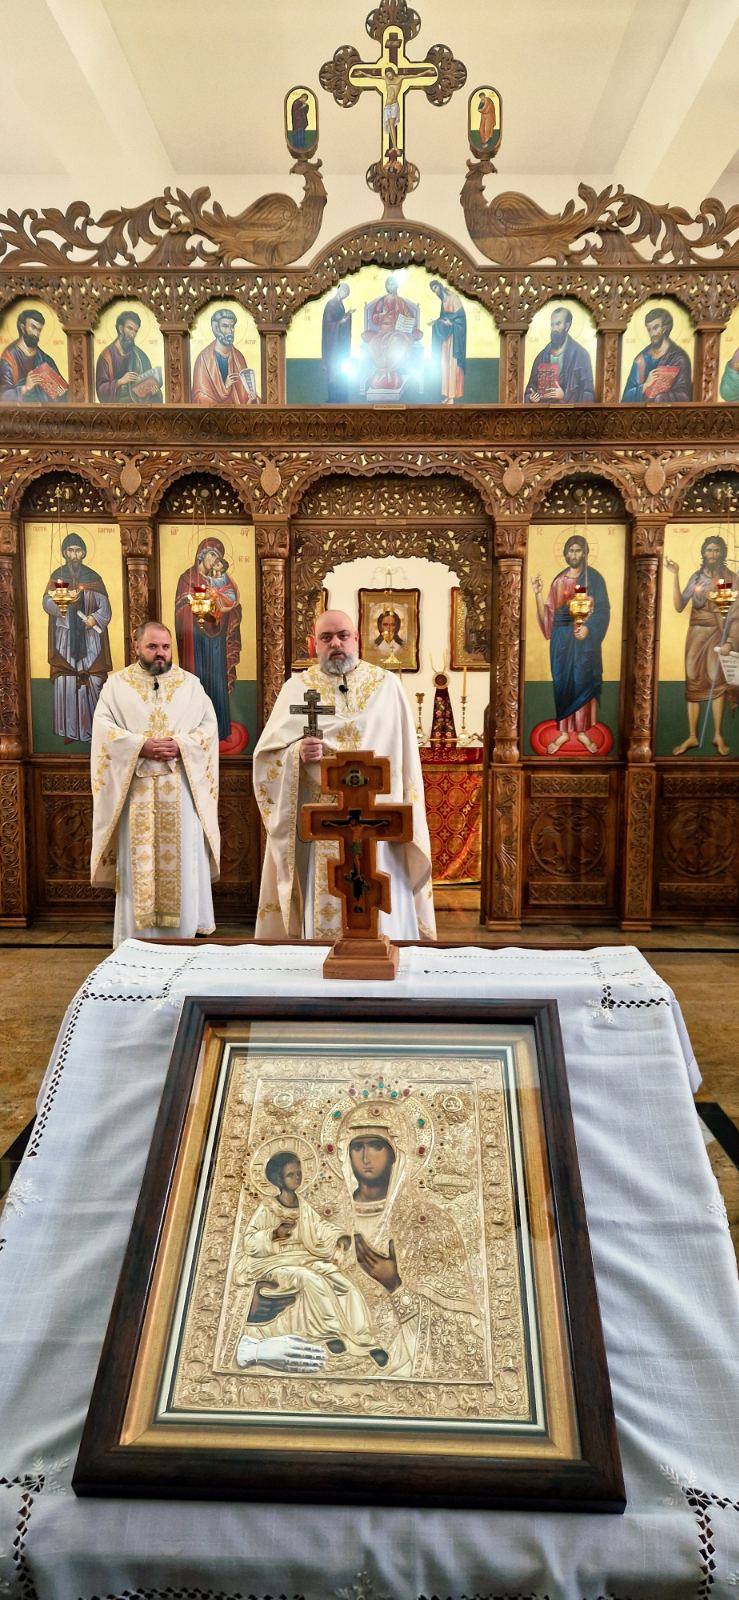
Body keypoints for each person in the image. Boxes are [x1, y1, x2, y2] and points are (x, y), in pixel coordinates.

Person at [252, 608, 436, 941]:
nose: (336, 643)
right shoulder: (297, 689)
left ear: (357, 640)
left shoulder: (387, 687)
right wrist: (296, 753)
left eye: (343, 636)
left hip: (380, 820)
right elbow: (267, 757)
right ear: (314, 644)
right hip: (324, 820)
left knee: (380, 894)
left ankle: (385, 952)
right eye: (326, 638)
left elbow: (405, 757)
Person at [90, 620, 220, 946]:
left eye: (165, 646)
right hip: (136, 794)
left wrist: (181, 745)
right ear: (137, 646)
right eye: (152, 646)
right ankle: (137, 941)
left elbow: (208, 730)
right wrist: (140, 746)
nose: (160, 653)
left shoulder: (191, 686)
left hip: (182, 792)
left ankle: (183, 937)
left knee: (185, 862)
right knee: (138, 867)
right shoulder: (116, 686)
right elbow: (103, 732)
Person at [230, 1149, 388, 1368]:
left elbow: (320, 1227)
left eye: (298, 1173)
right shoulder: (268, 1207)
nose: (297, 1178)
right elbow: (248, 1241)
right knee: (310, 1279)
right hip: (273, 1262)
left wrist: (338, 1238)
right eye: (290, 1174)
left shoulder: (303, 1206)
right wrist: (274, 1234)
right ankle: (330, 1334)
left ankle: (366, 1341)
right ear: (278, 1179)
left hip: (303, 1258)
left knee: (344, 1284)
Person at [531, 534, 610, 755]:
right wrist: (537, 594)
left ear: (585, 553)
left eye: (578, 550)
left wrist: (589, 628)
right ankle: (564, 732)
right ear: (565, 554)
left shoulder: (594, 579)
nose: (574, 555)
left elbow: (603, 610)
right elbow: (549, 614)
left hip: (584, 641)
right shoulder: (559, 580)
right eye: (571, 551)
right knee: (563, 683)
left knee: (582, 681)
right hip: (561, 640)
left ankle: (582, 731)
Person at [665, 535, 736, 756]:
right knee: (693, 678)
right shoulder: (696, 578)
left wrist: (730, 641)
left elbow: (737, 613)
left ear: (722, 554)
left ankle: (717, 735)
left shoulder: (731, 578)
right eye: (709, 550)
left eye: (716, 550)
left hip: (718, 632)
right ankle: (692, 736)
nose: (712, 554)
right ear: (703, 553)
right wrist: (675, 574)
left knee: (716, 678)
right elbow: (679, 605)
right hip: (695, 633)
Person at [42, 532, 112, 741]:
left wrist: (95, 619)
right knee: (66, 680)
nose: (74, 555)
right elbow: (46, 602)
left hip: (90, 639)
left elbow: (105, 607)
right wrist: (60, 605)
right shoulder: (57, 575)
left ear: (84, 553)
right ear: (64, 553)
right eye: (70, 550)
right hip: (65, 636)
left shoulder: (93, 577)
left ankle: (94, 731)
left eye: (78, 550)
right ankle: (70, 730)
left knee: (92, 679)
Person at [174, 536, 242, 743]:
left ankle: (220, 730)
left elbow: (233, 605)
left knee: (217, 681)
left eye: (218, 557)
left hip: (217, 639)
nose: (214, 560)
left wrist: (219, 605)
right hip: (194, 640)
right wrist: (193, 604)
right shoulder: (187, 578)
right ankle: (194, 732)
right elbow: (180, 607)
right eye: (212, 554)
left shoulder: (222, 579)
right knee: (198, 681)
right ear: (201, 555)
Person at [524, 306, 595, 404]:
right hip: (544, 411)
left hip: (571, 413)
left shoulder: (581, 355)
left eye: (558, 324)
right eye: (552, 325)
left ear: (567, 326)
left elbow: (588, 394)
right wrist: (531, 398)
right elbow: (530, 389)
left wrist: (564, 396)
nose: (554, 329)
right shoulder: (542, 357)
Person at [621, 307, 692, 402]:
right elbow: (626, 398)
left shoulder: (679, 358)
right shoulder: (641, 360)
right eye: (649, 330)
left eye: (655, 328)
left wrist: (660, 398)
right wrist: (645, 386)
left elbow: (685, 395)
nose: (652, 334)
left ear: (664, 329)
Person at [191, 308, 258, 406]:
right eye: (225, 326)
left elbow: (244, 394)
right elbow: (199, 396)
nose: (230, 331)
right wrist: (225, 388)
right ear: (216, 328)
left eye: (232, 326)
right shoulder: (204, 359)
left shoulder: (238, 357)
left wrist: (251, 398)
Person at [0, 307, 68, 403]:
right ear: (22, 327)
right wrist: (25, 387)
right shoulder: (9, 359)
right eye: (33, 327)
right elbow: (3, 395)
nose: (36, 333)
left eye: (39, 330)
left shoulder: (45, 359)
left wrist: (61, 392)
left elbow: (64, 393)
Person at [95, 309, 163, 404]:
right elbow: (100, 390)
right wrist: (120, 382)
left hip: (138, 409)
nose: (133, 334)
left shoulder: (141, 357)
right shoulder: (106, 357)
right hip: (114, 409)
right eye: (130, 328)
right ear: (120, 329)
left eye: (135, 331)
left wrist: (154, 392)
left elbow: (150, 388)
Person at [430, 279, 467, 404]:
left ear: (440, 286)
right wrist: (436, 322)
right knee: (445, 365)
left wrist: (451, 323)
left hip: (455, 339)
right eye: (433, 290)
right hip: (446, 338)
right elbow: (443, 318)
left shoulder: (453, 298)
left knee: (452, 365)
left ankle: (452, 396)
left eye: (435, 288)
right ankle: (446, 394)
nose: (435, 292)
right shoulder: (443, 302)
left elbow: (461, 319)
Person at [321, 284, 352, 402]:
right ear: (340, 289)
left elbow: (339, 320)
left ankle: (340, 398)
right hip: (332, 344)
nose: (345, 295)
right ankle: (333, 399)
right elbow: (329, 325)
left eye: (347, 294)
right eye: (345, 292)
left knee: (339, 372)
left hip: (338, 344)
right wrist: (342, 321)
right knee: (333, 370)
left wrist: (347, 315)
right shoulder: (331, 304)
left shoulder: (339, 304)